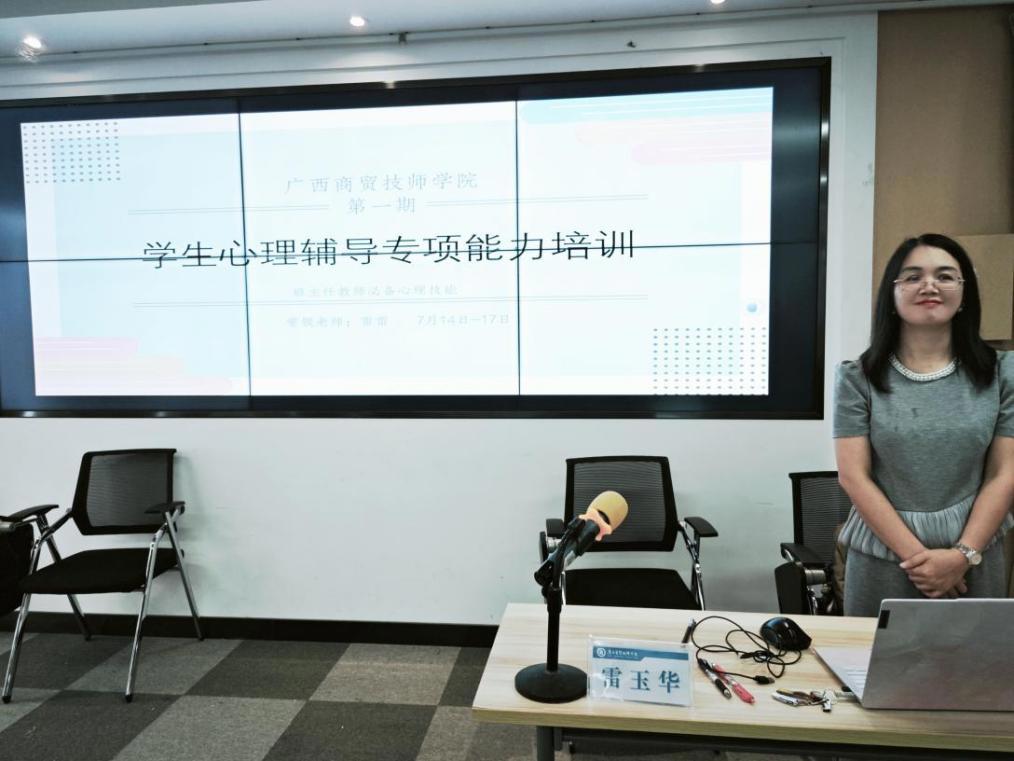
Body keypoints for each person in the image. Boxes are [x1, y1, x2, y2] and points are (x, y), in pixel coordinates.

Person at [833, 233, 1014, 617]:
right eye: (913, 276)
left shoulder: (1003, 372)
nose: (929, 285)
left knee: (975, 656)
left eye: (945, 276)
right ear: (892, 294)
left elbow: (1004, 473)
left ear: (964, 293)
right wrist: (922, 562)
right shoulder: (857, 377)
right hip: (885, 553)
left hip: (974, 552)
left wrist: (961, 556)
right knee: (878, 654)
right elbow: (853, 476)